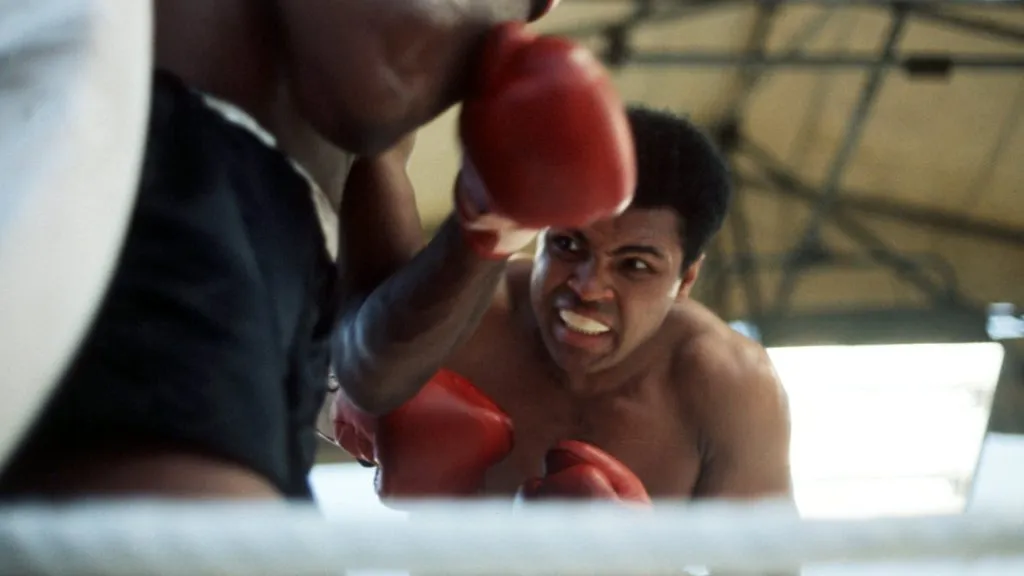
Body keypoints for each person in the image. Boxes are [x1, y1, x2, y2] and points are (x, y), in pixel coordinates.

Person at [0, 0, 638, 499]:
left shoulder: (350, 146)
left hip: (274, 263)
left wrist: (490, 227)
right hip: (165, 149)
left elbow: (367, 366)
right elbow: (380, 67)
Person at [332, 106, 793, 504]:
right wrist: (337, 402)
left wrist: (641, 565)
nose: (589, 287)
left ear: (686, 279)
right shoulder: (457, 322)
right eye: (569, 244)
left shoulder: (728, 385)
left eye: (633, 265)